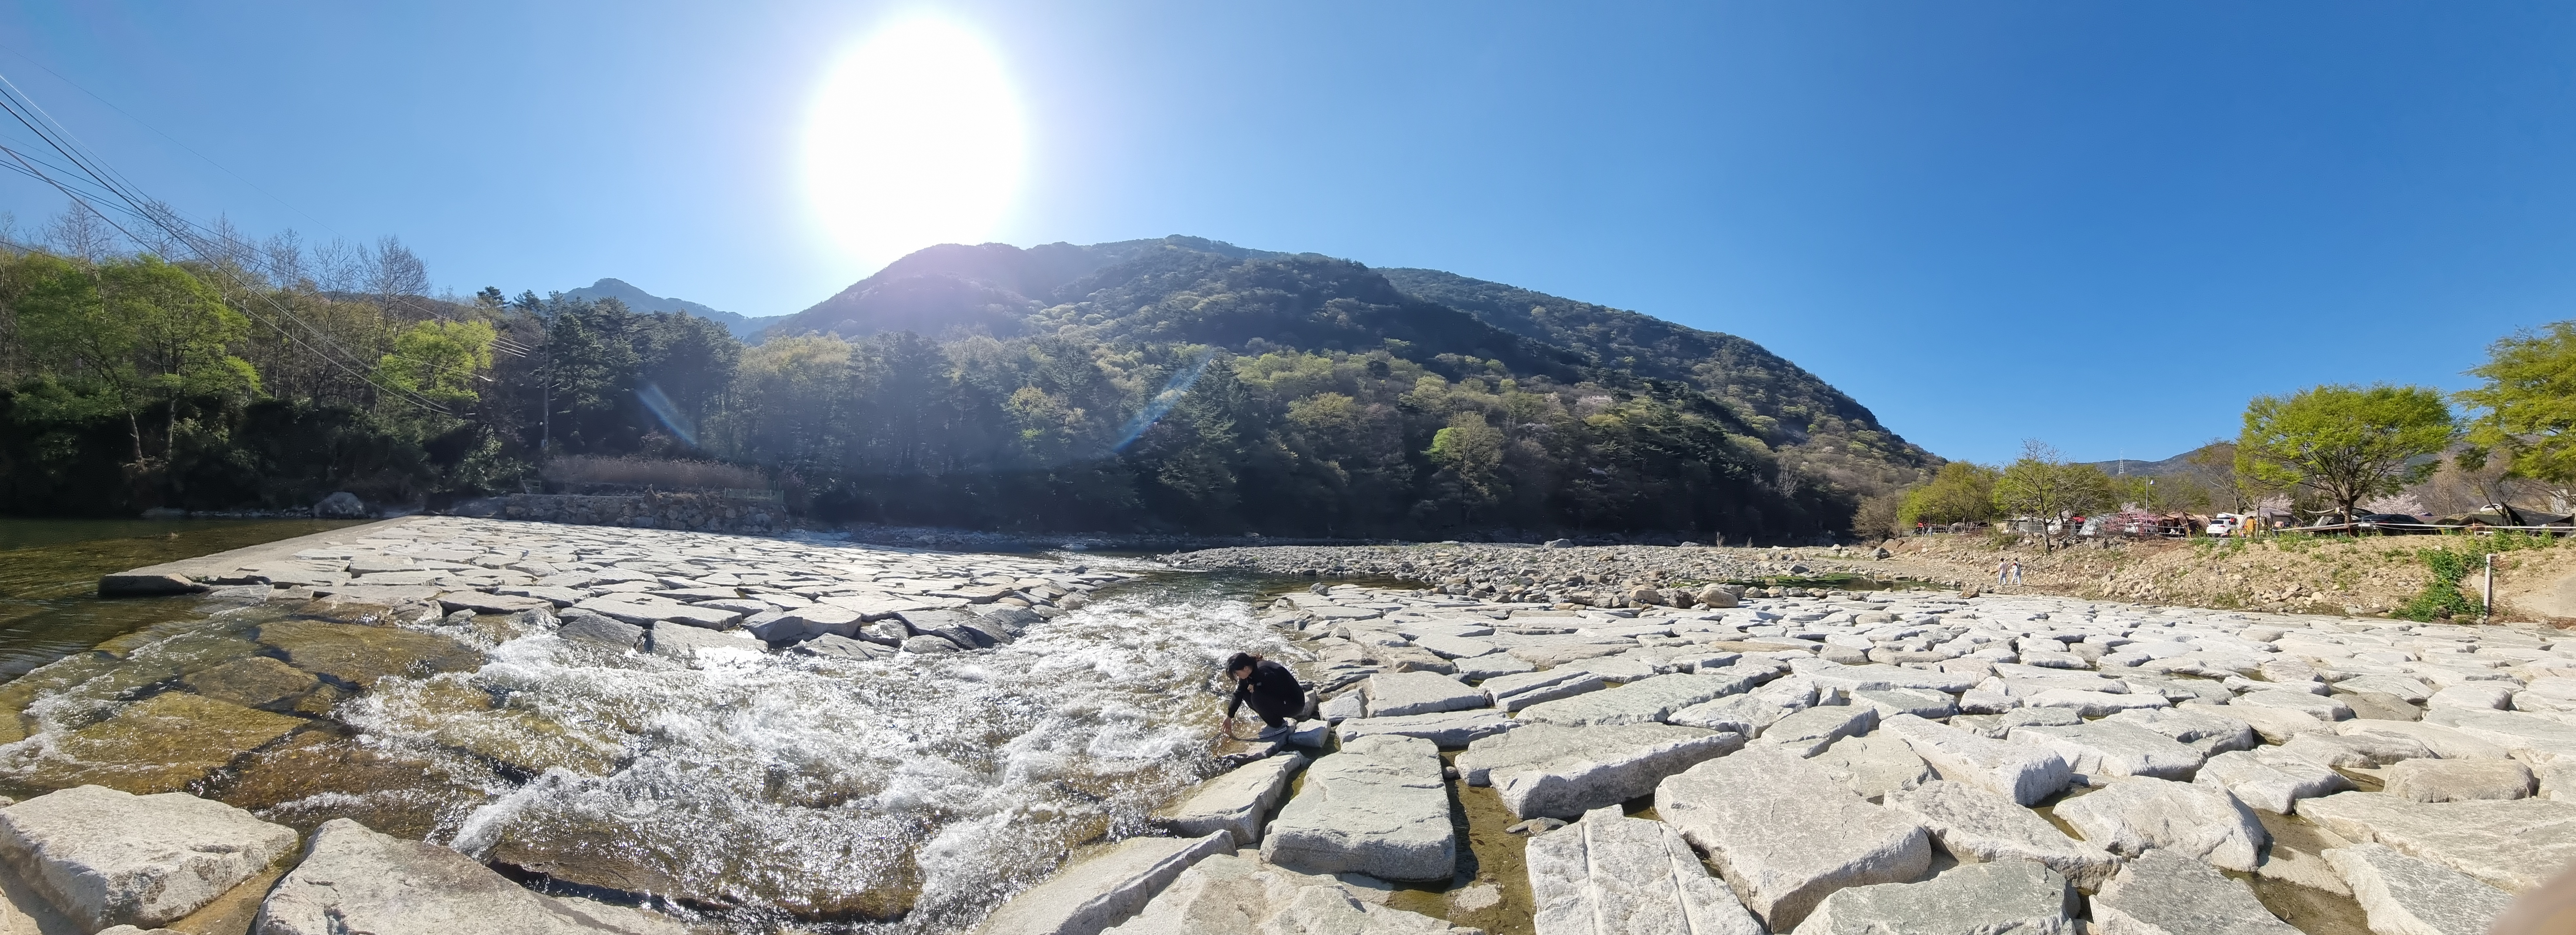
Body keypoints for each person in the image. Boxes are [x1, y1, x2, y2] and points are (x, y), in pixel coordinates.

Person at [1221, 651, 1311, 743]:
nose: (1237, 676)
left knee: (1257, 697)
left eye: (1237, 673)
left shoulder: (1263, 671)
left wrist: (1257, 687)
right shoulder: (1249, 672)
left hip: (1295, 704)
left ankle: (1278, 725)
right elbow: (1238, 694)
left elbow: (1278, 690)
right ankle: (1277, 721)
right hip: (1283, 701)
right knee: (1245, 693)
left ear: (1245, 668)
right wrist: (1229, 717)